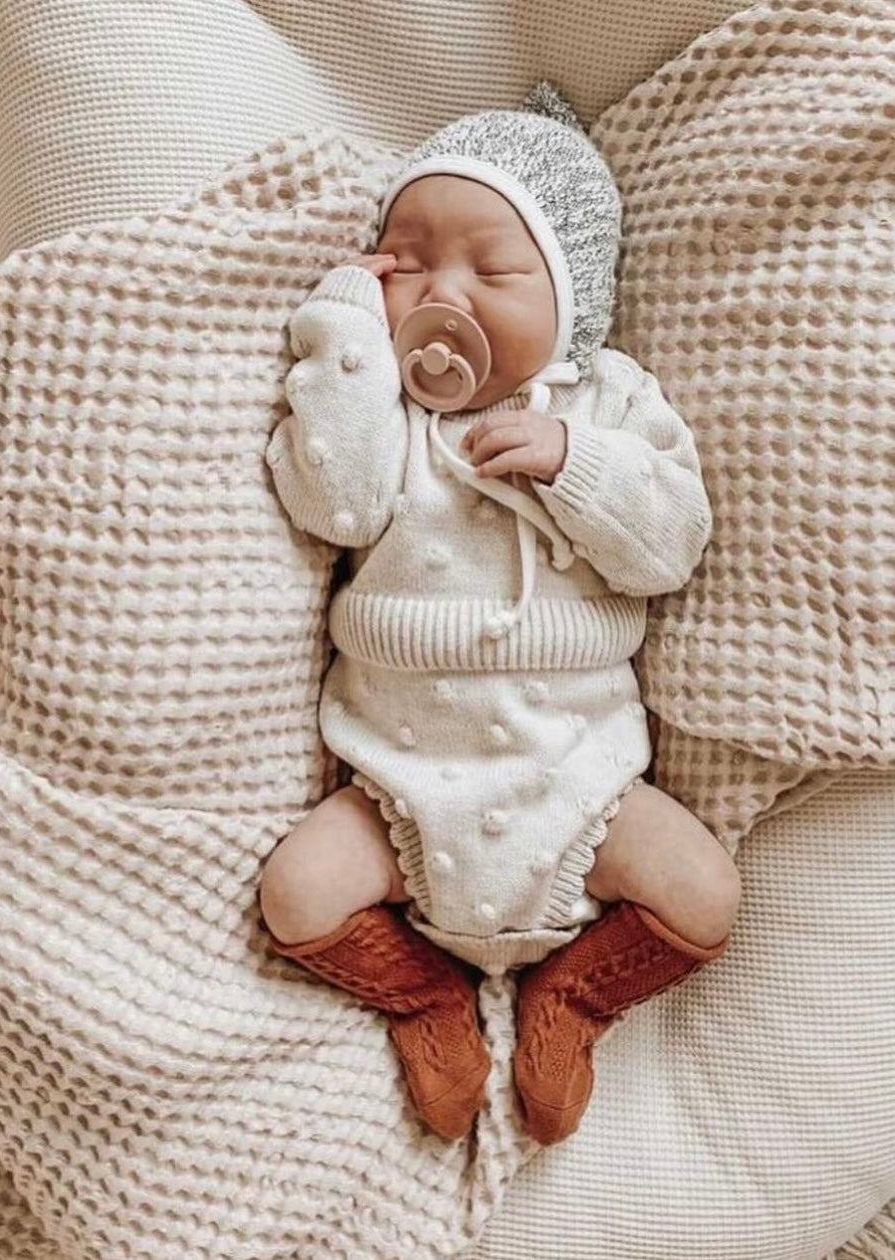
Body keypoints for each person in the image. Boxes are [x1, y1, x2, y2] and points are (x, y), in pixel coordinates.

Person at [259, 83, 740, 1146]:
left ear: (570, 298)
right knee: (296, 896)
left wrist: (580, 467)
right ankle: (423, 997)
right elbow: (330, 502)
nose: (445, 292)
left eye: (493, 268)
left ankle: (572, 998)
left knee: (704, 895)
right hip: (397, 783)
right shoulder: (387, 415)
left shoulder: (607, 400)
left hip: (579, 779)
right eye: (409, 261)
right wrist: (344, 333)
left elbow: (671, 547)